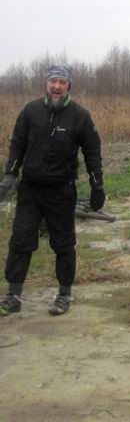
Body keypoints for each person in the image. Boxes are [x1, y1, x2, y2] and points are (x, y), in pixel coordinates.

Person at [0, 65, 105, 316]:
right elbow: (17, 145)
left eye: (62, 82)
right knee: (21, 241)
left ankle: (64, 294)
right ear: (46, 84)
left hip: (61, 190)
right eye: (52, 82)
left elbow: (92, 153)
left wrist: (97, 185)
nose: (56, 86)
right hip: (31, 190)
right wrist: (10, 176)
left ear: (69, 86)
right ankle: (13, 295)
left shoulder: (80, 115)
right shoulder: (30, 111)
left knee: (64, 243)